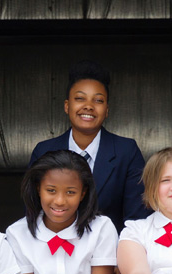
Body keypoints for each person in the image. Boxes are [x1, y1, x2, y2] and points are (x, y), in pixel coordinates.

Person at [29, 60, 150, 233]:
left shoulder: (126, 151)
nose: (88, 106)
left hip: (110, 254)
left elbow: (137, 220)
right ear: (67, 105)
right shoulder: (43, 151)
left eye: (98, 100)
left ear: (107, 110)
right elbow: (32, 212)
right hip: (52, 251)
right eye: (79, 98)